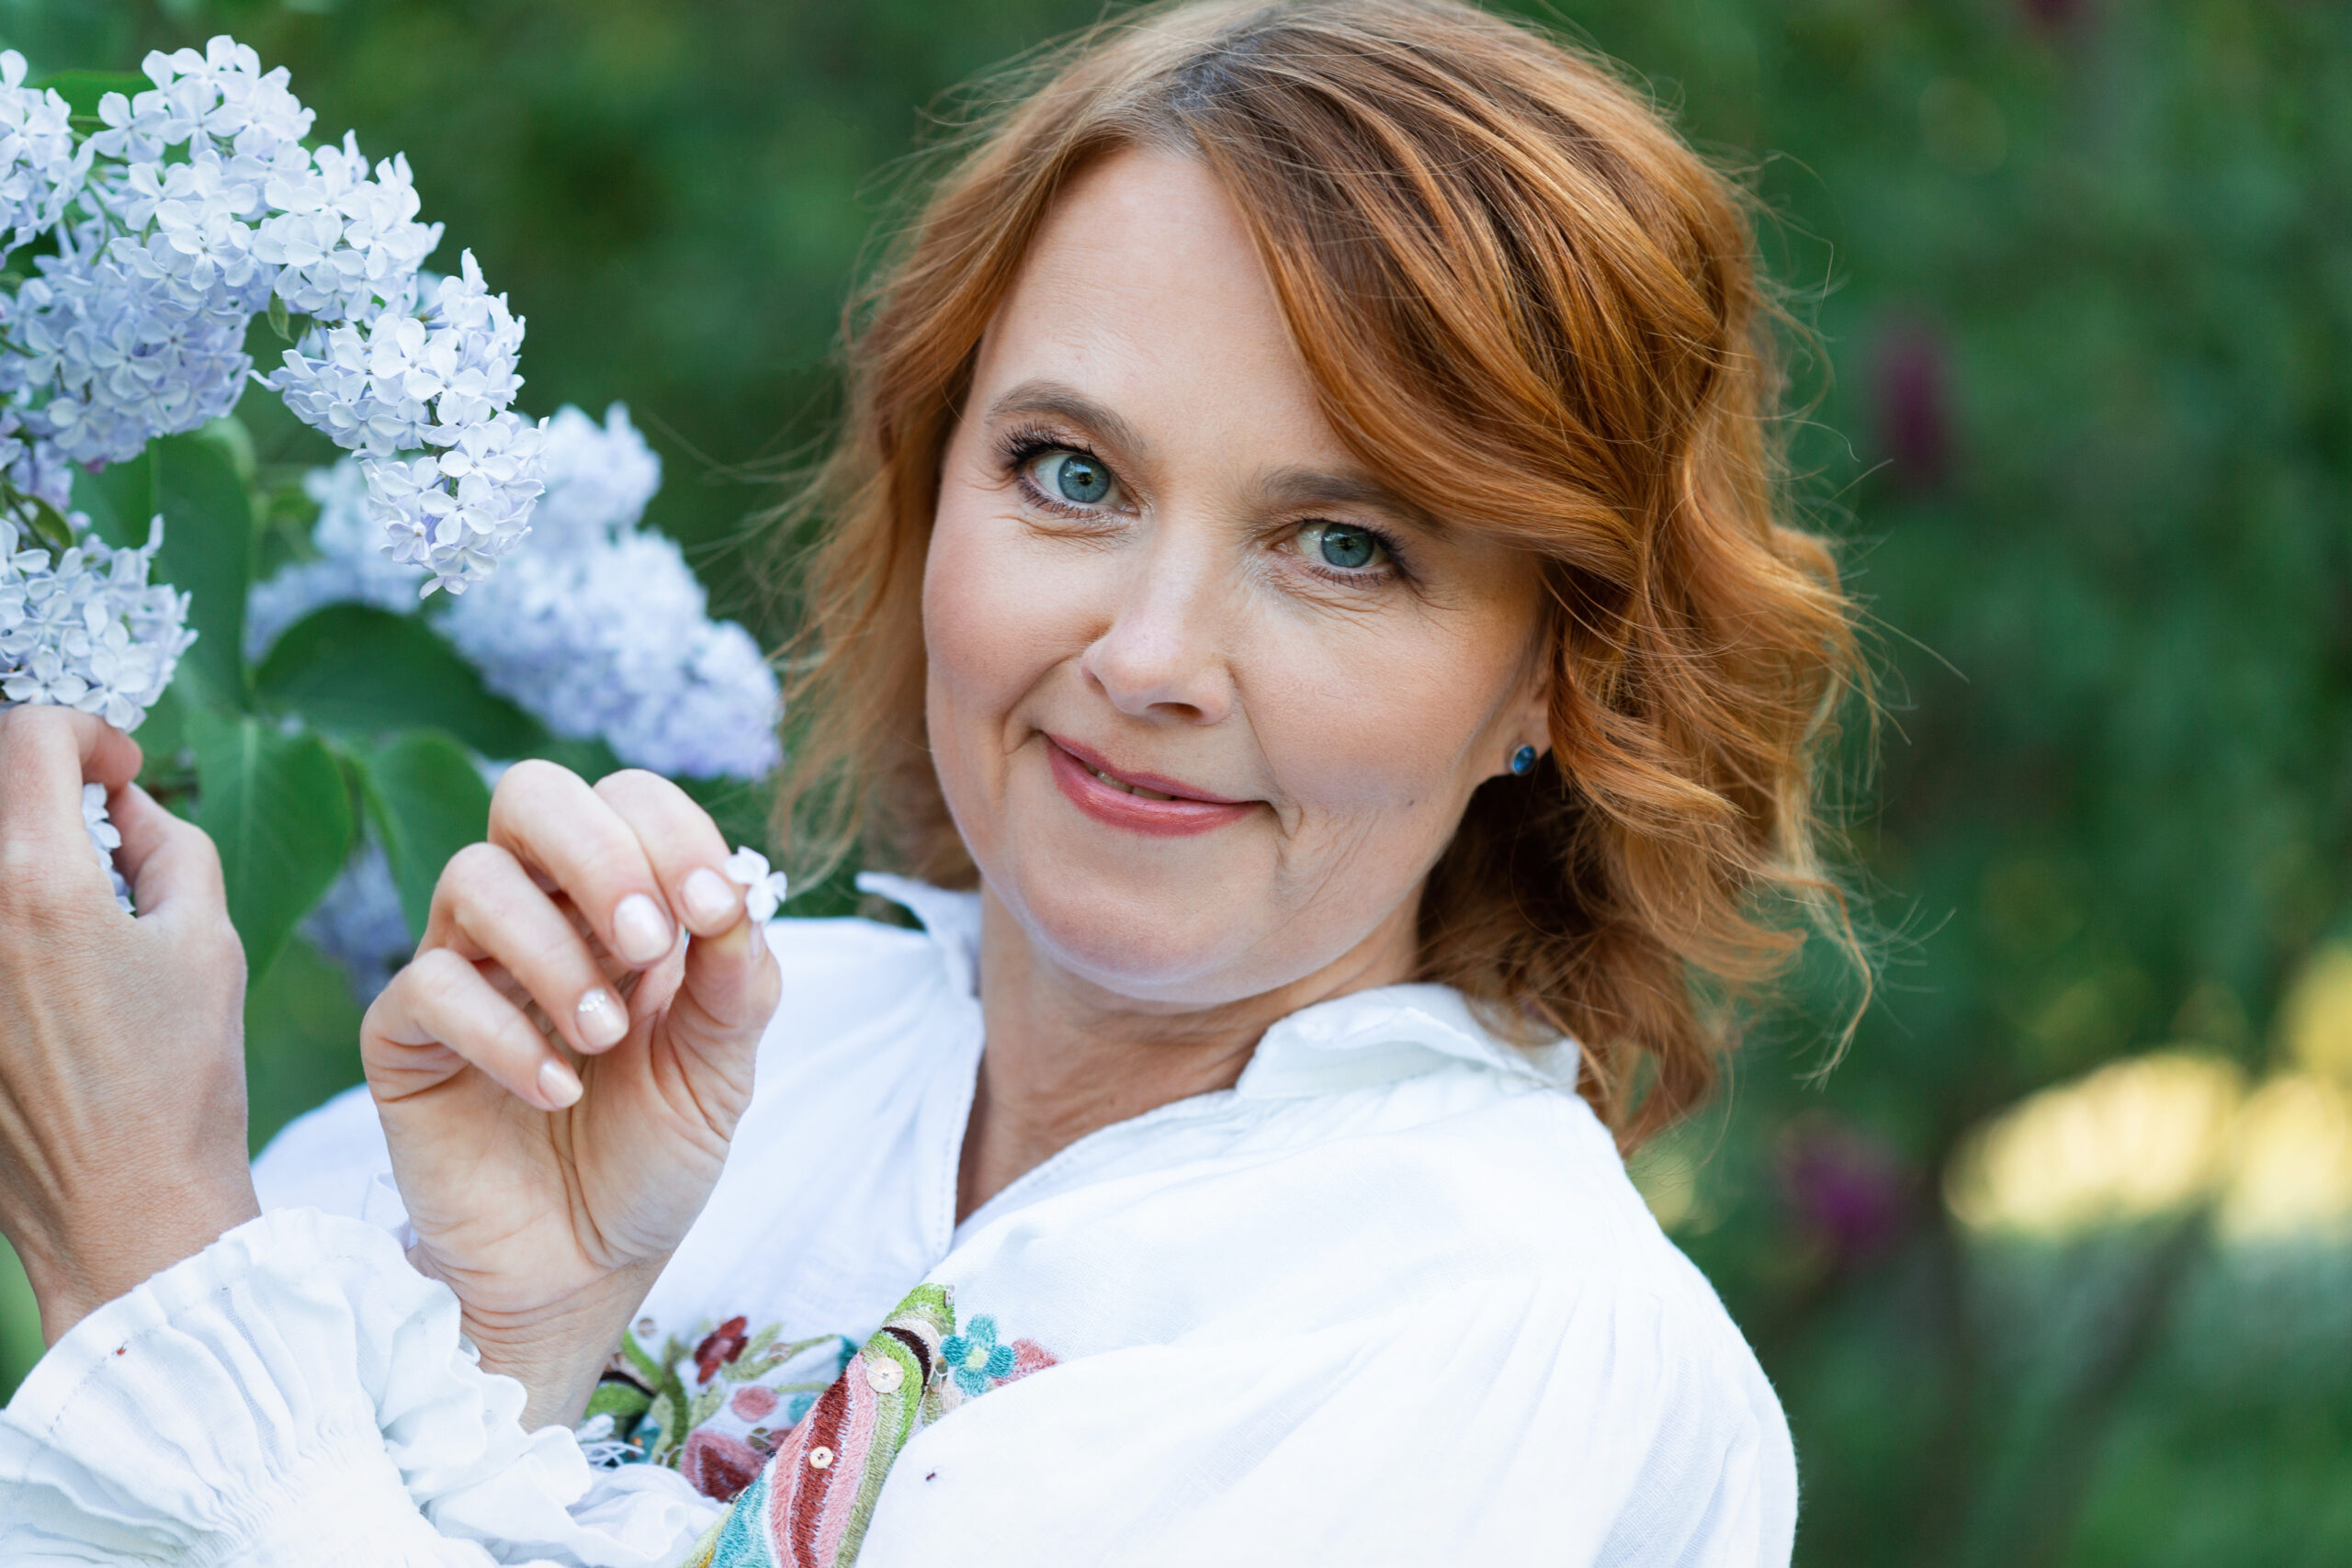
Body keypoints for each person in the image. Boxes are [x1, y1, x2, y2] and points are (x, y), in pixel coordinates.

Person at [0, 1, 1863, 1562]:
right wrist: (509, 1335)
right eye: (1072, 474)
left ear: (1555, 667)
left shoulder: (1494, 1339)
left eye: (1343, 546)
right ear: (931, 478)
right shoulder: (707, 1079)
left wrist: (151, 1252)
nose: (1147, 654)